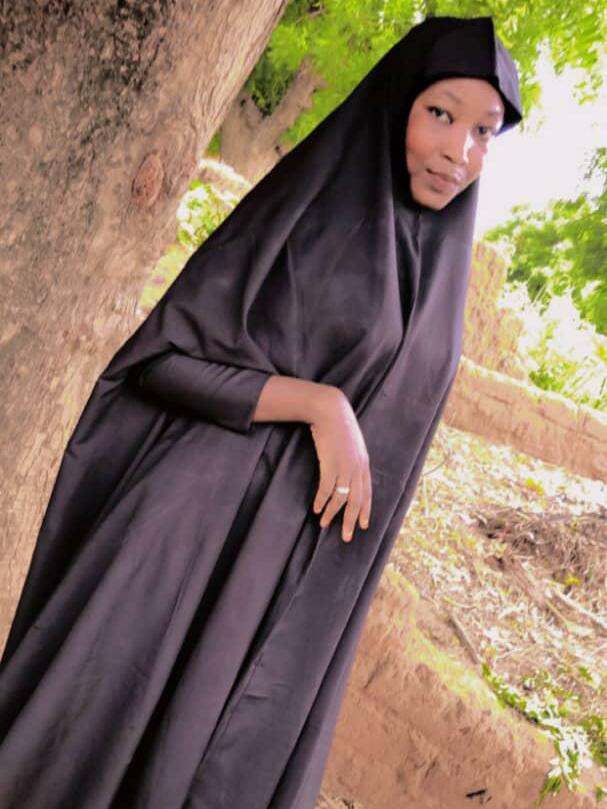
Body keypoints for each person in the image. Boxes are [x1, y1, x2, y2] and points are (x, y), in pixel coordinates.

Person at [0, 14, 523, 809]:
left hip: (286, 572)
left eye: (484, 131)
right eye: (440, 113)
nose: (459, 150)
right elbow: (161, 360)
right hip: (189, 535)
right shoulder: (310, 208)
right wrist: (319, 404)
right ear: (396, 104)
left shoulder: (442, 282)